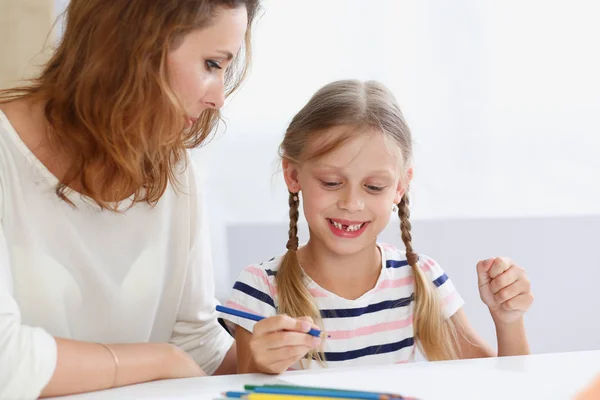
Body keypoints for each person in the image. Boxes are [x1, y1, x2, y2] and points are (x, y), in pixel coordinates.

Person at [0, 0, 259, 398]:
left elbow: (194, 342)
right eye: (211, 64)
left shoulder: (174, 170)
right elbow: (6, 361)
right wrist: (158, 360)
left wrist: (260, 360)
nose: (219, 98)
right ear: (139, 44)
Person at [221, 80, 534, 374]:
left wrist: (508, 320)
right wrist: (259, 366)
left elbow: (504, 386)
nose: (351, 203)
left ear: (400, 186)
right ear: (293, 175)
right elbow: (241, 387)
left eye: (373, 187)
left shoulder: (420, 279)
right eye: (331, 182)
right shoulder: (260, 289)